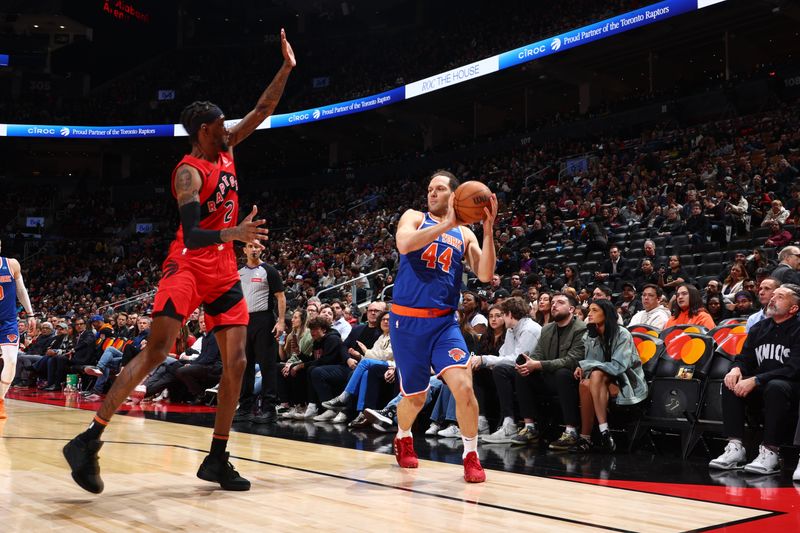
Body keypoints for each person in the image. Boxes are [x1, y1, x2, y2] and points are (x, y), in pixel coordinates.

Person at [62, 29, 296, 494]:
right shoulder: (189, 171)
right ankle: (89, 440)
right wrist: (233, 232)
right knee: (156, 351)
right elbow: (192, 233)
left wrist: (287, 68)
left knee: (237, 361)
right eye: (222, 124)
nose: (230, 127)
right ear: (204, 130)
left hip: (224, 270)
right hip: (188, 264)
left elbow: (263, 110)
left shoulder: (227, 149)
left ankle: (217, 456)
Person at [390, 169, 497, 483]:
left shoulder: (465, 234)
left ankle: (470, 455)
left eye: (438, 189)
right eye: (429, 189)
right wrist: (447, 223)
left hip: (443, 323)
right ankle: (403, 435)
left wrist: (487, 230)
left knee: (464, 387)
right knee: (416, 399)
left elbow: (486, 274)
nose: (431, 193)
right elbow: (404, 244)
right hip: (407, 323)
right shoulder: (413, 217)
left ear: (455, 194)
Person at [709, 285, 800, 475]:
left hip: (792, 387)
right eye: (773, 295)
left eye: (780, 297)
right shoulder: (759, 327)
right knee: (731, 383)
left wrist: (756, 380)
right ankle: (735, 448)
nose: (773, 299)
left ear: (793, 308)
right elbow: (745, 358)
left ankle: (771, 452)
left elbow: (793, 369)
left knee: (776, 386)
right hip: (764, 385)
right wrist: (735, 369)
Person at [571, 299, 647, 453]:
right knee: (584, 383)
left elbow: (617, 367)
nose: (589, 314)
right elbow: (593, 366)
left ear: (606, 314)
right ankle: (589, 437)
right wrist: (593, 341)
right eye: (589, 310)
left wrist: (584, 365)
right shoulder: (590, 335)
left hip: (626, 382)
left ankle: (600, 431)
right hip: (599, 382)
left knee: (596, 374)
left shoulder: (622, 334)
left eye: (594, 310)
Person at [512, 293, 586, 449]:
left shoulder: (580, 329)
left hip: (571, 379)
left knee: (563, 373)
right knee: (523, 372)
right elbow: (537, 354)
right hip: (549, 378)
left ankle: (571, 431)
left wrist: (539, 365)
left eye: (560, 302)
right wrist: (528, 364)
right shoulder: (546, 329)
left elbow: (572, 360)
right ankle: (530, 427)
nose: (554, 305)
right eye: (552, 302)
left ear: (571, 309)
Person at [235, 241, 286, 424]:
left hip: (264, 320)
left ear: (262, 249)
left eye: (258, 246)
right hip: (243, 321)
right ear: (245, 250)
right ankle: (245, 408)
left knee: (267, 366)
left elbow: (280, 296)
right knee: (245, 366)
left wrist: (280, 321)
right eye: (251, 246)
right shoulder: (238, 272)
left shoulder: (269, 271)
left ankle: (269, 409)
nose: (254, 249)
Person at [0, 243, 37, 419]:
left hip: (7, 321)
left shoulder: (11, 264)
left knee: (12, 361)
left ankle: (0, 400)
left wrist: (30, 314)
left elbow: (21, 290)